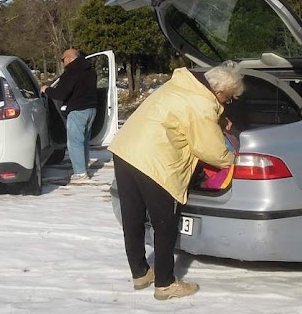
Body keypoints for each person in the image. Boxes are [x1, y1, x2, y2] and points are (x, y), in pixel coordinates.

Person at [109, 62, 244, 300]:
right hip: (156, 162)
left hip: (125, 151)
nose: (226, 103)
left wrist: (220, 121)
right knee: (165, 224)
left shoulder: (179, 86)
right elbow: (209, 149)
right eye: (229, 99)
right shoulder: (202, 104)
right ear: (220, 92)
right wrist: (232, 159)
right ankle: (165, 284)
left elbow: (183, 117)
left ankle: (140, 273)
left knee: (133, 218)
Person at [42, 48, 99, 182]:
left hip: (77, 110)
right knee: (84, 141)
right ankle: (83, 167)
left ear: (68, 58)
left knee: (74, 142)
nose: (63, 62)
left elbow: (61, 94)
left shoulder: (71, 73)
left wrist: (47, 90)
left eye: (63, 59)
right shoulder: (90, 70)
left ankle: (80, 173)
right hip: (92, 108)